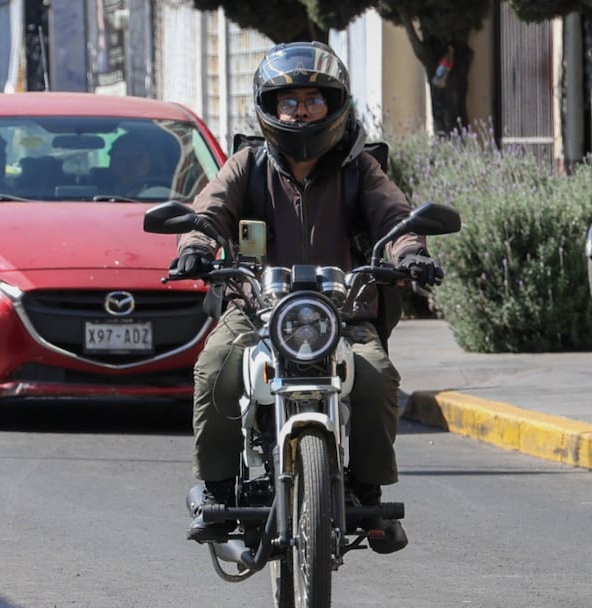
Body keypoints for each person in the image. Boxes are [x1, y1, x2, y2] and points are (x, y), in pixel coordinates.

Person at [175, 41, 442, 554]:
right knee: (214, 367)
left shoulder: (360, 170)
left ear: (334, 105)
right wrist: (195, 246)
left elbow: (395, 217)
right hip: (257, 310)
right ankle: (216, 490)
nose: (301, 111)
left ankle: (367, 490)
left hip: (342, 313)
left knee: (376, 376)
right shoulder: (247, 165)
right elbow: (209, 212)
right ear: (270, 108)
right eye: (289, 101)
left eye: (313, 100)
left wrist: (410, 252)